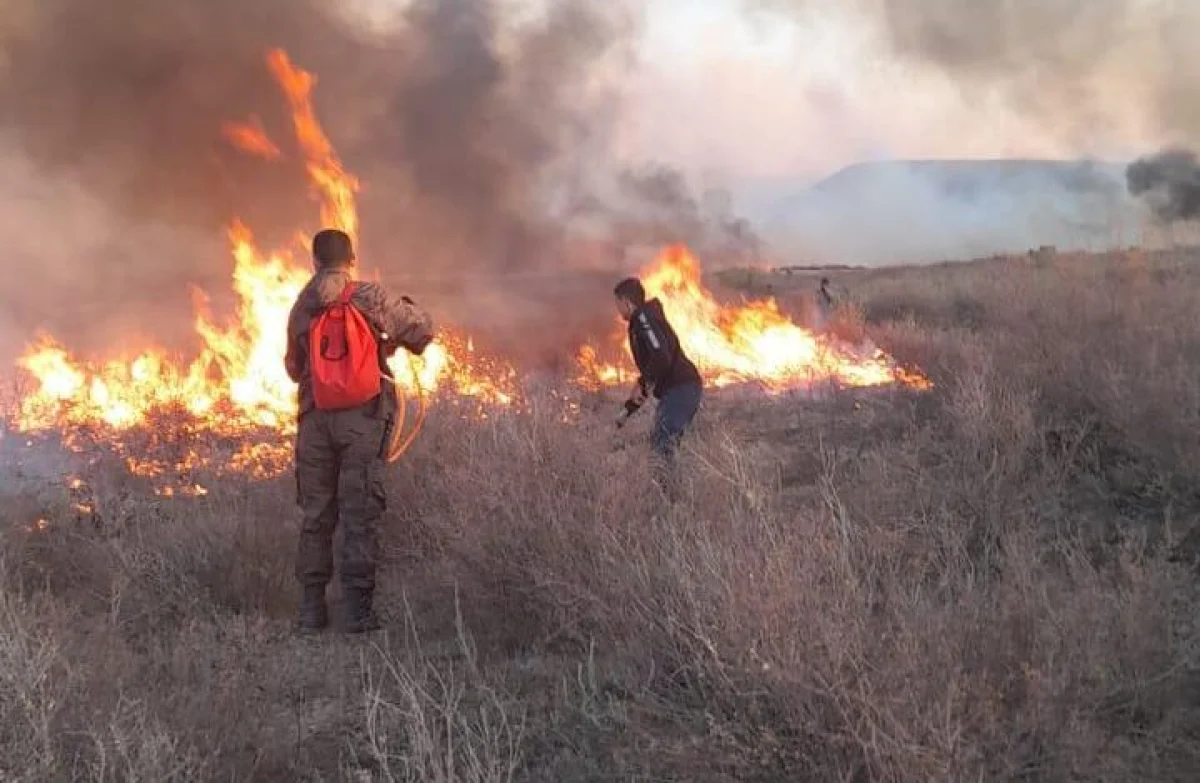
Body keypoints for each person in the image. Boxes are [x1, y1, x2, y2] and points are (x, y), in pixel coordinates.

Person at [284, 228, 435, 634]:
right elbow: (423, 332)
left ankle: (311, 612)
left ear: (314, 261)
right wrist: (386, 344)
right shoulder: (370, 296)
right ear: (351, 260)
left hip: (315, 421)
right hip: (364, 421)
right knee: (360, 513)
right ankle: (357, 614)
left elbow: (294, 369)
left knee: (316, 515)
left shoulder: (302, 305)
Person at [613, 277, 704, 494]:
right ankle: (670, 495)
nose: (617, 310)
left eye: (617, 303)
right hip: (678, 390)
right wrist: (628, 410)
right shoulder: (642, 321)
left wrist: (643, 381)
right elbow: (653, 370)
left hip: (682, 388)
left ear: (627, 302)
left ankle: (671, 501)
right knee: (663, 443)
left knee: (662, 443)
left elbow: (660, 358)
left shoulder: (643, 318)